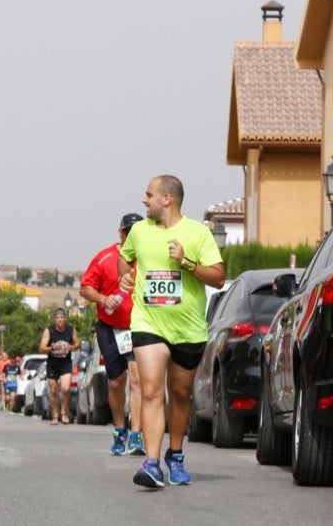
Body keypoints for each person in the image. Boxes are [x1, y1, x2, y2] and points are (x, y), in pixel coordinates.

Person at [119, 175, 225, 487]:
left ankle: (175, 454)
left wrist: (188, 263)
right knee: (151, 390)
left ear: (167, 199)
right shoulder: (139, 231)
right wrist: (125, 276)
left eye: (148, 194)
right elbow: (124, 260)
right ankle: (151, 463)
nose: (143, 200)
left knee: (180, 394)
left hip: (188, 329)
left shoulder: (198, 232)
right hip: (148, 323)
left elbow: (219, 278)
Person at [82, 212, 144, 455]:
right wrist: (103, 298)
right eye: (128, 232)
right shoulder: (105, 258)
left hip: (138, 327)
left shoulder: (147, 258)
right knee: (117, 381)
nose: (132, 237)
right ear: (120, 233)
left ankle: (137, 434)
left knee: (138, 380)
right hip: (109, 327)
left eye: (137, 233)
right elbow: (85, 288)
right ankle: (120, 430)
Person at [39, 309, 80, 425]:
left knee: (66, 388)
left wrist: (73, 347)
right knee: (53, 390)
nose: (60, 320)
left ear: (65, 319)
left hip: (65, 363)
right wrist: (53, 348)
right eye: (57, 318)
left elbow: (77, 343)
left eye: (62, 317)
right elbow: (41, 348)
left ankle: (64, 412)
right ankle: (55, 415)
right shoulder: (49, 331)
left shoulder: (70, 330)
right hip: (52, 364)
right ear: (54, 319)